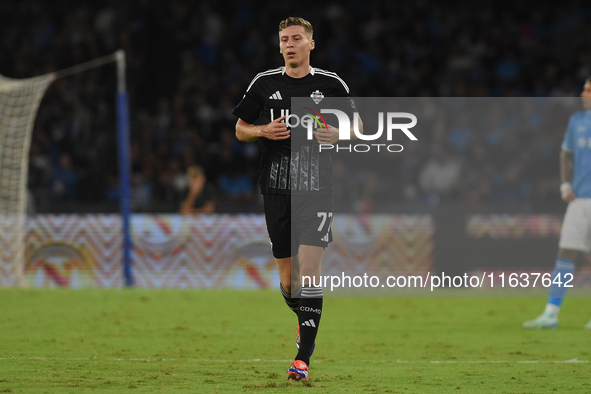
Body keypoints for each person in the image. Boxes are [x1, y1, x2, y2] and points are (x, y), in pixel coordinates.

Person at [233, 16, 361, 380]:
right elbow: (240, 128)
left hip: (316, 187)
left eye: (296, 39)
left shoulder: (330, 84)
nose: (289, 44)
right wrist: (261, 130)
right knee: (289, 282)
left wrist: (339, 134)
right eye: (284, 40)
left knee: (310, 271)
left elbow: (358, 127)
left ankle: (302, 358)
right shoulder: (263, 83)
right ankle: (306, 322)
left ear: (310, 44)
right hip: (275, 188)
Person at [523, 77, 591, 329]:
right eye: (584, 89)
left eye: (588, 90)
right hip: (579, 199)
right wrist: (565, 185)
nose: (583, 93)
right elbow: (565, 153)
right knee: (565, 253)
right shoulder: (577, 121)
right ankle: (551, 314)